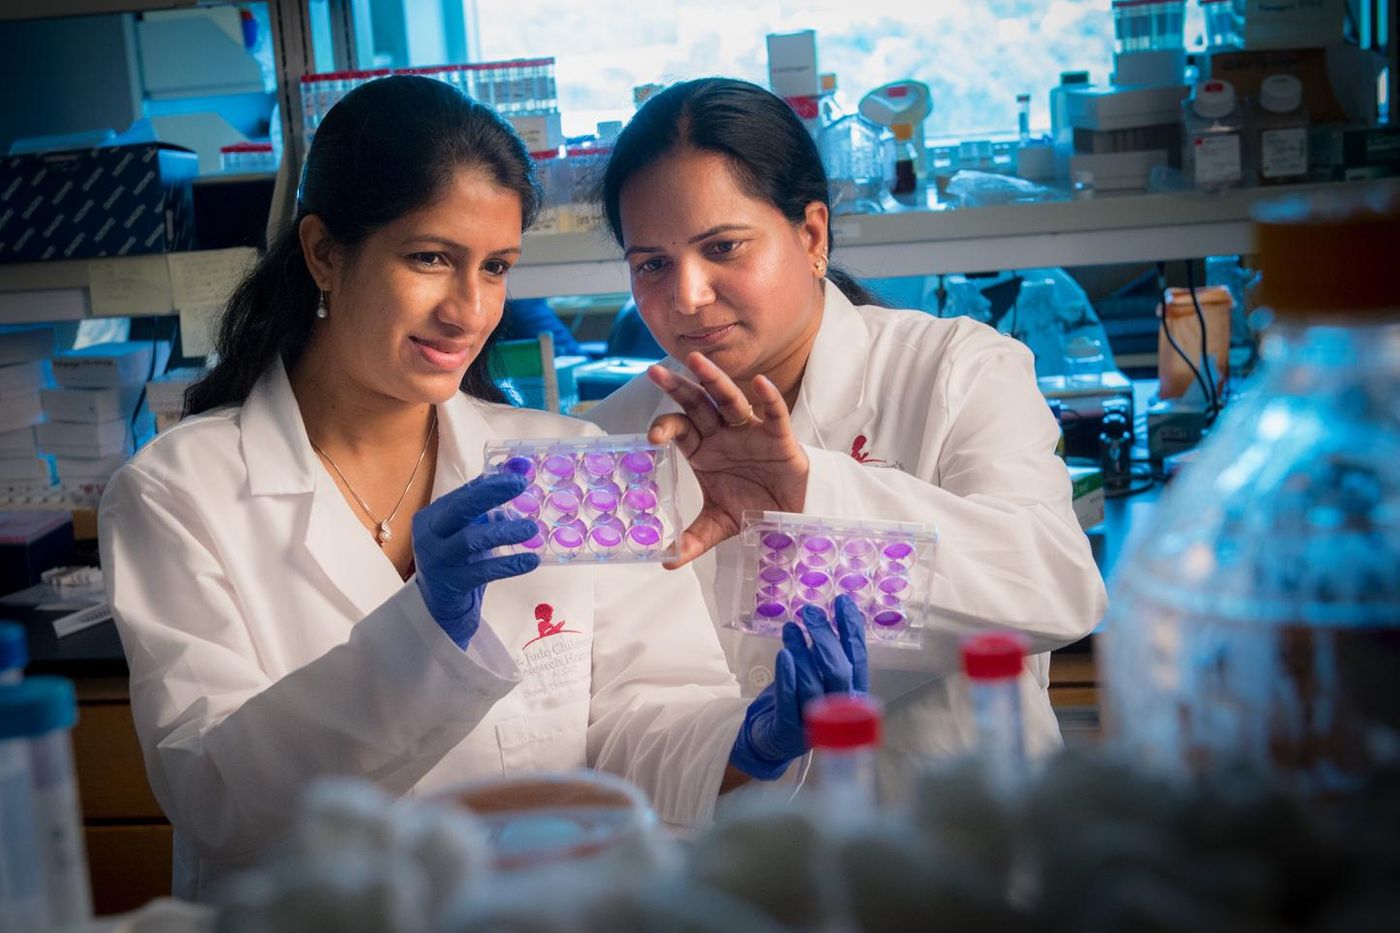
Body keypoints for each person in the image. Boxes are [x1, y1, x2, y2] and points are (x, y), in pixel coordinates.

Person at [97, 76, 865, 900]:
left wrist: (749, 740)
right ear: (324, 251)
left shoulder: (570, 465)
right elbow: (213, 796)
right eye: (430, 257)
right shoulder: (177, 492)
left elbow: (643, 716)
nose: (468, 309)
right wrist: (421, 631)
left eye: (495, 267)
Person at [585, 78, 1107, 798]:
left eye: (724, 247)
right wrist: (745, 744)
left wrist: (809, 493)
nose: (687, 296)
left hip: (953, 859)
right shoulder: (614, 435)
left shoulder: (953, 370)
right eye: (652, 264)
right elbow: (610, 710)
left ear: (812, 235)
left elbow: (1057, 588)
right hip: (735, 874)